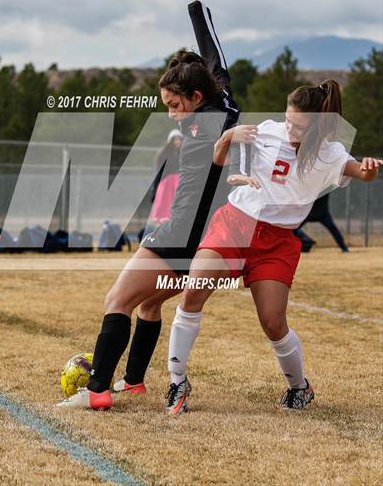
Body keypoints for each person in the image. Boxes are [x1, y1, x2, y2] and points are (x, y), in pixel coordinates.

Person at [57, 0, 247, 410]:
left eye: (174, 106)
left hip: (179, 234)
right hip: (203, 241)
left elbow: (211, 62)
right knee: (149, 302)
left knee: (116, 301)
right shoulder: (226, 106)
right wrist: (199, 15)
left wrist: (197, 14)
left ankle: (97, 392)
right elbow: (214, 59)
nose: (171, 115)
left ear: (196, 98)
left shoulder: (200, 125)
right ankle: (135, 381)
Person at [164, 79, 382, 414]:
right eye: (288, 119)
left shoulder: (329, 151)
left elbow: (359, 172)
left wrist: (368, 170)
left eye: (299, 125)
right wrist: (225, 138)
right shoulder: (267, 131)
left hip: (277, 241)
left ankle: (300, 387)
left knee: (273, 323)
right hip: (236, 222)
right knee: (193, 292)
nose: (290, 128)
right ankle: (177, 381)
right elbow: (219, 160)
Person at [150, 129, 183, 225]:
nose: (177, 141)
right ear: (170, 141)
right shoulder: (163, 154)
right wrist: (154, 190)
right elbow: (158, 172)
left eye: (179, 139)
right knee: (164, 208)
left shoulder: (184, 153)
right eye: (175, 139)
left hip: (179, 182)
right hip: (167, 183)